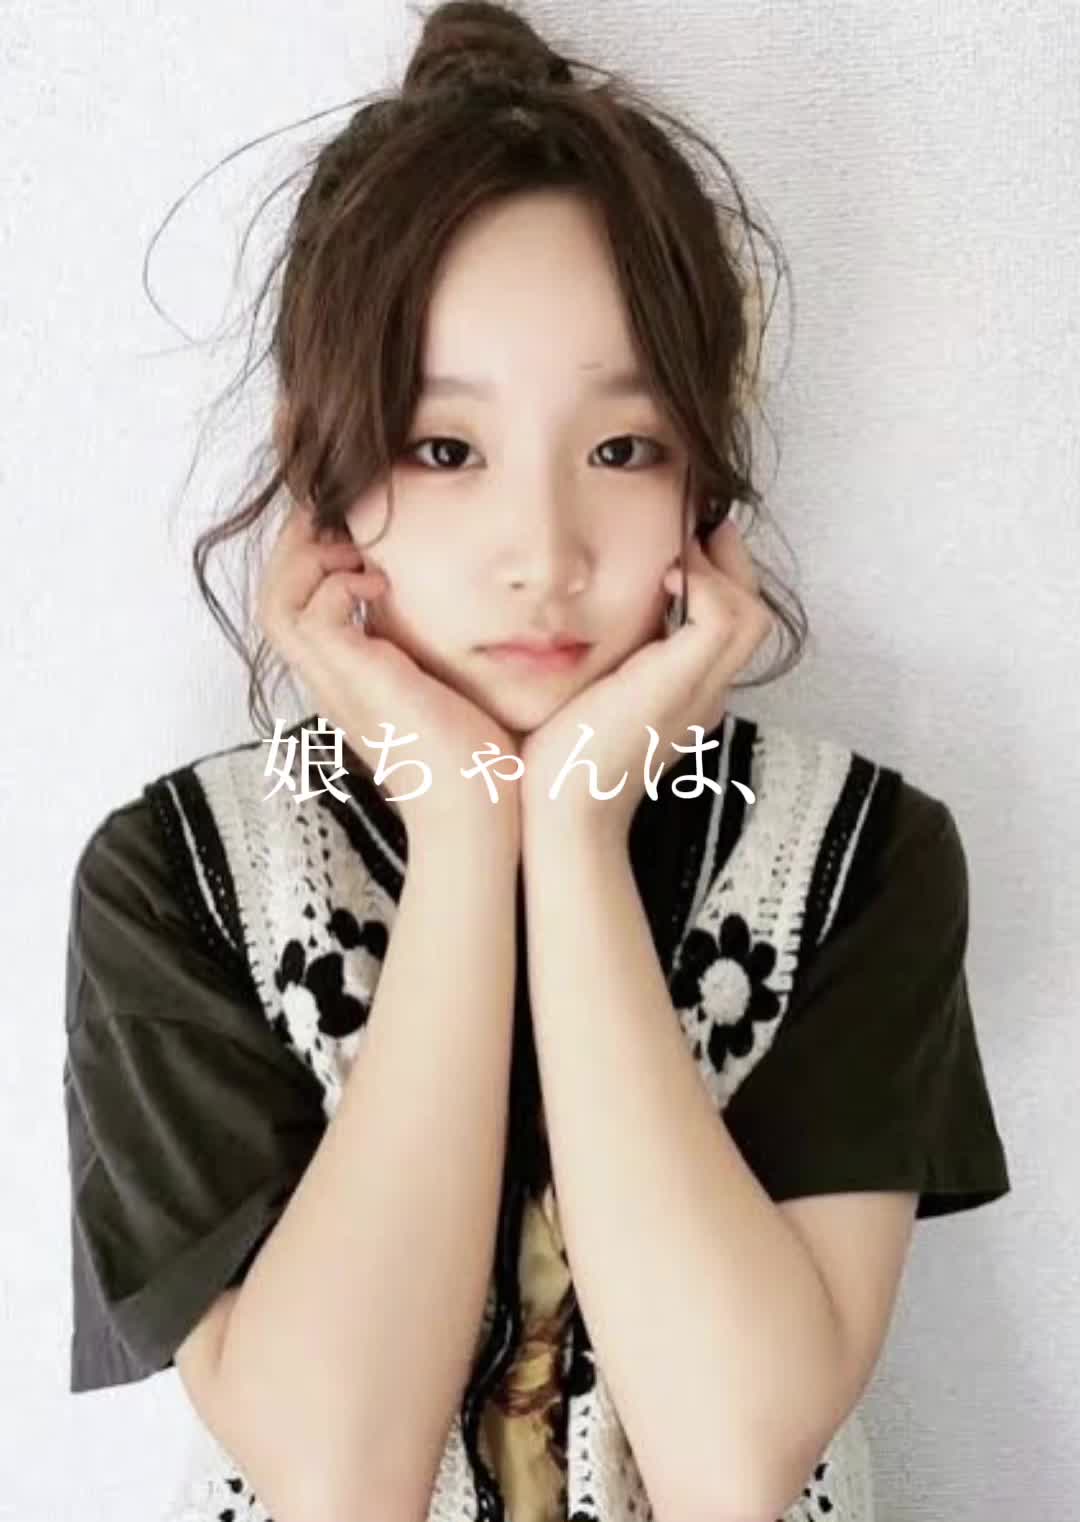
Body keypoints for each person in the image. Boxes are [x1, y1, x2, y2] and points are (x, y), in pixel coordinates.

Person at [62, 3, 1012, 1520]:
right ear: (321, 467)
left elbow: (733, 1464)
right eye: (446, 449)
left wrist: (571, 838)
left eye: (623, 449)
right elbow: (338, 1475)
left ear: (705, 478)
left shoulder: (859, 856)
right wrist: (461, 831)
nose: (544, 552)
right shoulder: (178, 882)